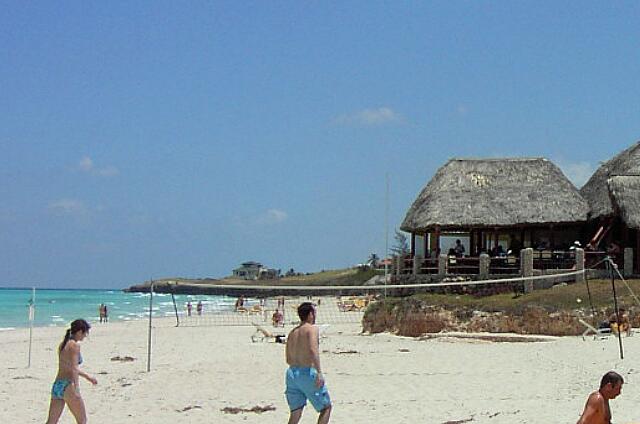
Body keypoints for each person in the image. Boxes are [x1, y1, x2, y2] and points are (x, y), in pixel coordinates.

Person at [285, 302, 332, 424]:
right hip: (306, 372)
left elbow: (288, 358)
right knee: (326, 407)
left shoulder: (292, 332)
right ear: (310, 314)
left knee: (295, 412)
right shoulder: (312, 329)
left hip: (291, 373)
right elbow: (313, 350)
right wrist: (319, 372)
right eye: (314, 313)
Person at [46, 319, 97, 424]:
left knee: (51, 421)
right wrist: (77, 388)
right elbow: (74, 368)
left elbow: (67, 366)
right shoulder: (74, 345)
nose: (85, 336)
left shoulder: (63, 344)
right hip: (68, 385)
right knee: (82, 420)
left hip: (57, 385)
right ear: (79, 332)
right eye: (85, 333)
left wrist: (87, 377)